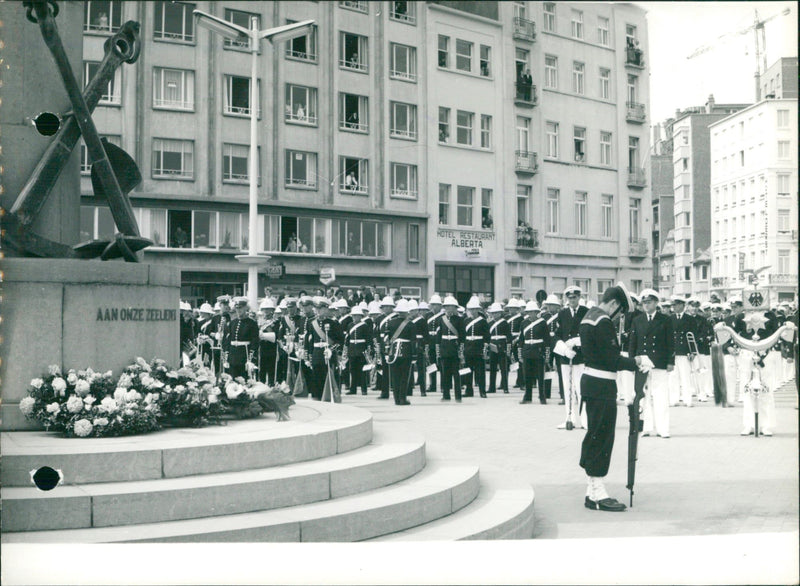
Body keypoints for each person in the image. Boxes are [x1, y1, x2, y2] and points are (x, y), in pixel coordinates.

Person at [579, 283, 646, 512]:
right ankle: (597, 493)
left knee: (595, 434)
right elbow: (612, 359)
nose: (620, 319)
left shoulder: (588, 316)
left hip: (592, 383)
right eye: (621, 314)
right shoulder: (603, 321)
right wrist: (636, 362)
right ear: (615, 304)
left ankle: (592, 491)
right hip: (601, 386)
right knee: (603, 438)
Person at [628, 289, 674, 438]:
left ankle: (662, 428)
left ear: (655, 303)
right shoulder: (637, 320)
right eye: (644, 303)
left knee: (661, 395)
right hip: (642, 363)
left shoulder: (665, 320)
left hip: (659, 362)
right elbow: (632, 343)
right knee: (643, 396)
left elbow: (670, 343)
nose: (646, 305)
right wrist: (631, 362)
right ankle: (647, 427)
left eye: (649, 302)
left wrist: (670, 361)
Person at [555, 286, 589, 429]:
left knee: (581, 389)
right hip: (566, 357)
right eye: (569, 298)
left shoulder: (585, 312)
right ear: (566, 299)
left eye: (574, 297)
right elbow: (557, 334)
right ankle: (569, 418)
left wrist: (577, 341)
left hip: (581, 357)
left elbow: (589, 333)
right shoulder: (562, 314)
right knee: (567, 390)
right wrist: (563, 349)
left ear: (579, 298)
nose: (572, 300)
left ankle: (585, 419)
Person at [303, 297, 344, 400]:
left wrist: (332, 349)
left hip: (329, 352)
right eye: (316, 309)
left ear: (326, 309)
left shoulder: (334, 323)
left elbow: (340, 341)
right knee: (316, 374)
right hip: (316, 352)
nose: (318, 311)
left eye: (320, 309)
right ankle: (317, 395)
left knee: (328, 374)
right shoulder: (311, 323)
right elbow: (308, 340)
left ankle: (329, 395)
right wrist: (307, 356)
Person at [669, 296, 697, 407]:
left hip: (685, 352)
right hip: (673, 352)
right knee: (673, 377)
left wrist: (693, 352)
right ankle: (674, 399)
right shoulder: (669, 319)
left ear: (681, 305)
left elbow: (693, 336)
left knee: (686, 377)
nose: (674, 307)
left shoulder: (690, 319)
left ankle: (687, 399)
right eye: (673, 305)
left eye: (675, 305)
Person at [436, 295, 465, 402]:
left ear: (455, 308)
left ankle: (458, 396)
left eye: (451, 306)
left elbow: (462, 336)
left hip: (454, 348)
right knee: (445, 374)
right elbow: (438, 336)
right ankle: (446, 395)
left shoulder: (459, 320)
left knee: (456, 374)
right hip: (444, 348)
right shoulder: (441, 319)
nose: (448, 309)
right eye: (447, 306)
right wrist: (438, 350)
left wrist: (461, 351)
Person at [386, 300, 415, 405]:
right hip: (406, 352)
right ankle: (402, 399)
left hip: (393, 352)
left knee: (395, 377)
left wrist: (387, 353)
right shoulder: (411, 324)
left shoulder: (390, 322)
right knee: (404, 377)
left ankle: (396, 400)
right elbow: (413, 341)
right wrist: (414, 355)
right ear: (406, 312)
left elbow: (387, 339)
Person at [518, 300, 547, 404]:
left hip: (538, 351)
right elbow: (521, 339)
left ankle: (542, 396)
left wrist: (545, 353)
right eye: (529, 312)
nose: (530, 314)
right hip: (527, 351)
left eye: (533, 311)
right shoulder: (523, 323)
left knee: (540, 375)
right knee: (527, 375)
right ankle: (527, 396)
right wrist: (520, 352)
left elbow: (546, 339)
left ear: (536, 312)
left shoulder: (542, 322)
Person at [223, 297, 259, 379]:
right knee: (231, 380)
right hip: (232, 356)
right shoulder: (232, 323)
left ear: (246, 308)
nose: (238, 310)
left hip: (244, 356)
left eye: (241, 308)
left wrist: (251, 360)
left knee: (245, 381)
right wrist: (226, 357)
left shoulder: (252, 323)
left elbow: (255, 342)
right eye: (237, 308)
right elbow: (227, 341)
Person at [463, 296, 490, 399]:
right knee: (468, 371)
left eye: (475, 309)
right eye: (471, 309)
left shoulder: (483, 321)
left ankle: (482, 391)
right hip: (468, 347)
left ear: (478, 310)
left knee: (480, 372)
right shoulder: (465, 321)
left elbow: (487, 337)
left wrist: (485, 348)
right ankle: (469, 390)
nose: (473, 311)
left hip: (478, 348)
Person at [345, 305, 372, 395]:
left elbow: (368, 339)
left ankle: (364, 389)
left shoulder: (365, 326)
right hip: (352, 349)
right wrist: (346, 349)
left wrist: (368, 350)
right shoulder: (350, 325)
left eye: (357, 315)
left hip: (361, 350)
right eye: (353, 315)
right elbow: (347, 339)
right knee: (352, 370)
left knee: (363, 371)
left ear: (360, 316)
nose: (355, 317)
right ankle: (353, 389)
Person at [487, 303, 511, 393]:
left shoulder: (504, 323)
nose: (495, 315)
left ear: (500, 313)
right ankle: (492, 387)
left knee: (503, 368)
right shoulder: (490, 323)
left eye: (496, 313)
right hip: (493, 346)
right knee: (492, 368)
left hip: (502, 346)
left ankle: (505, 387)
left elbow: (509, 337)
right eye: (493, 313)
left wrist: (508, 349)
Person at [257, 298, 280, 385]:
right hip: (261, 348)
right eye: (264, 309)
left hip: (272, 348)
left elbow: (276, 335)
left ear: (272, 310)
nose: (266, 311)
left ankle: (271, 386)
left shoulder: (276, 322)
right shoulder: (259, 322)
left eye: (268, 309)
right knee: (261, 370)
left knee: (271, 370)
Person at [426, 294, 444, 392]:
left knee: (441, 365)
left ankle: (443, 385)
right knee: (431, 364)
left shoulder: (443, 316)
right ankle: (432, 385)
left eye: (436, 305)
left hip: (439, 342)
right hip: (430, 341)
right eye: (433, 304)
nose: (434, 306)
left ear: (440, 306)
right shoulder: (427, 315)